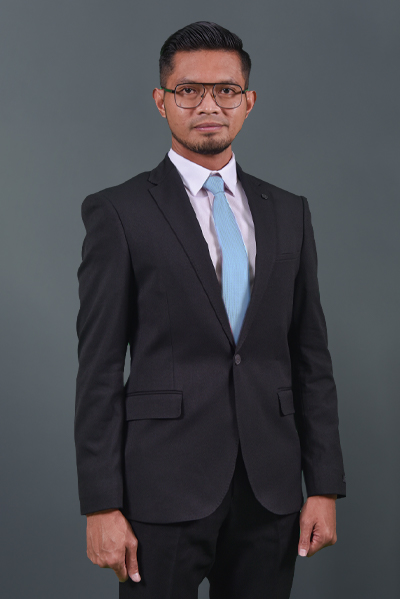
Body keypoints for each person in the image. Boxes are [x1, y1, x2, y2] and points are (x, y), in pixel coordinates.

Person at [74, 20, 346, 599]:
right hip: (161, 488)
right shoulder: (119, 212)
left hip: (270, 490)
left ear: (248, 101)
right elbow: (98, 368)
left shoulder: (289, 212)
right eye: (188, 90)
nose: (208, 105)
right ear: (161, 101)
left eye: (225, 90)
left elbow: (311, 357)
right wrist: (100, 504)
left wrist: (323, 485)